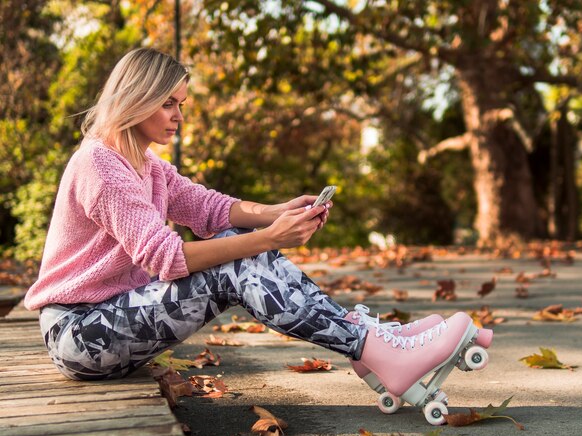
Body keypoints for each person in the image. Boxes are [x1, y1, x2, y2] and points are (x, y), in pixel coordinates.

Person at [24, 49, 490, 409]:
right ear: (135, 98)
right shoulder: (101, 167)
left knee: (237, 248)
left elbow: (209, 208)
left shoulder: (146, 165)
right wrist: (268, 238)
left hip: (113, 319)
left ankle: (368, 340)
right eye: (168, 104)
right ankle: (372, 346)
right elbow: (165, 258)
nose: (179, 117)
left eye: (180, 104)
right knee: (237, 261)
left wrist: (276, 212)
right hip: (81, 334)